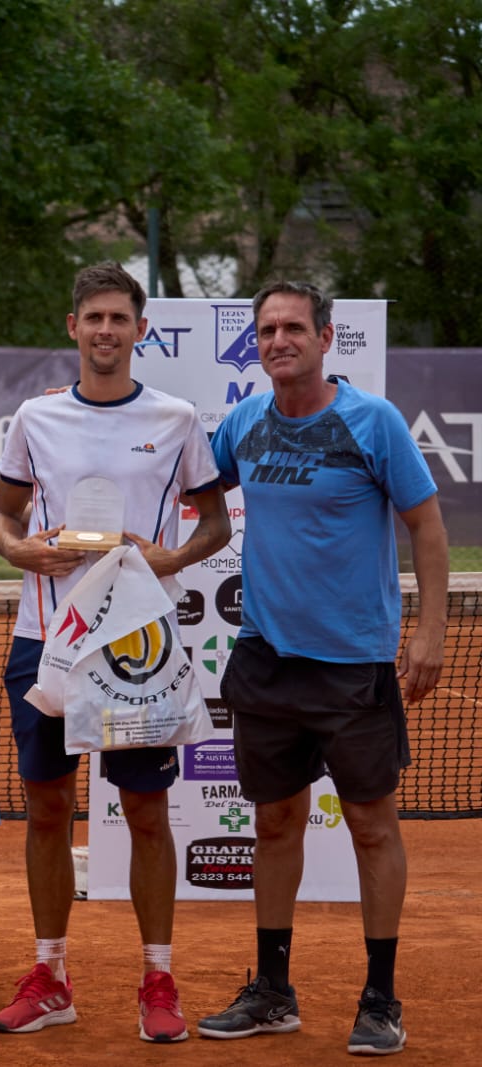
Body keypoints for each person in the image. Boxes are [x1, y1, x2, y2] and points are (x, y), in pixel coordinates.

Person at [196, 281, 447, 1056]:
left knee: (373, 826)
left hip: (354, 665)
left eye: (293, 327)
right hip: (267, 661)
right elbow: (192, 495)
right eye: (267, 330)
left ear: (325, 336)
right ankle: (274, 990)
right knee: (274, 822)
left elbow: (427, 527)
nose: (279, 340)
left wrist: (430, 629)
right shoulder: (243, 423)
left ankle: (381, 997)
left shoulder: (372, 422)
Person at [0, 262, 230, 1043]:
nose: (105, 331)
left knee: (147, 813)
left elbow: (217, 525)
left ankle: (158, 978)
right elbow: (2, 518)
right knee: (47, 808)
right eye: (92, 317)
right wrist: (21, 552)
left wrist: (169, 558)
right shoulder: (34, 418)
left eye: (119, 318)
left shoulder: (178, 417)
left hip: (139, 650)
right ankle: (51, 975)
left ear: (140, 329)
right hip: (45, 643)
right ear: (72, 326)